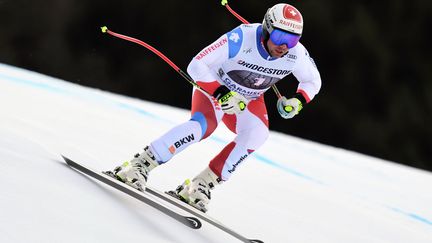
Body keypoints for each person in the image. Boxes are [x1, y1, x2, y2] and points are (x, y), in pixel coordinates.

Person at [108, 3, 321, 212]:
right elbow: (197, 64)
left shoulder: (296, 54)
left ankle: (200, 184)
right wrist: (222, 93)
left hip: (248, 99)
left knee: (258, 134)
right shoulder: (240, 38)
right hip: (216, 88)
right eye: (280, 37)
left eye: (292, 40)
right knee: (203, 127)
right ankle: (139, 164)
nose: (284, 46)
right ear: (267, 28)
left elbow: (313, 81)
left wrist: (298, 100)